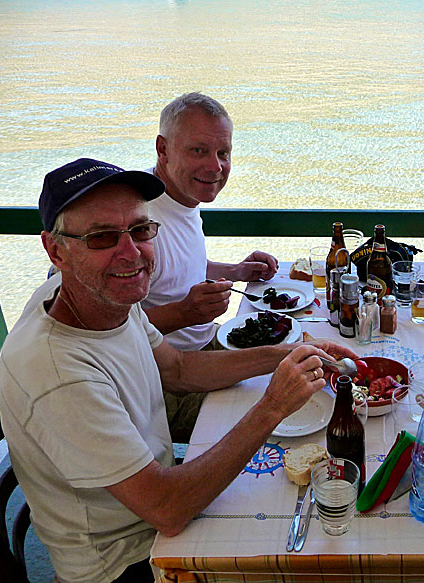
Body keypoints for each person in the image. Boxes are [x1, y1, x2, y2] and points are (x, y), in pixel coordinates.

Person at [0, 158, 357, 583]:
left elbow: (181, 368)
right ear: (56, 250)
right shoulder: (58, 372)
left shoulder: (103, 297)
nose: (131, 253)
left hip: (159, 506)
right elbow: (168, 509)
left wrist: (286, 352)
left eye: (140, 229)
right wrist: (272, 407)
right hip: (128, 561)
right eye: (102, 237)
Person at [140, 92, 279, 440]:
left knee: (298, 355)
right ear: (163, 149)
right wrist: (184, 313)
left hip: (207, 346)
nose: (215, 167)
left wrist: (234, 271)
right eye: (198, 151)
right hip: (166, 388)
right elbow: (112, 333)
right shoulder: (139, 222)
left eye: (223, 153)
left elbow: (176, 268)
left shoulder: (181, 196)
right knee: (284, 410)